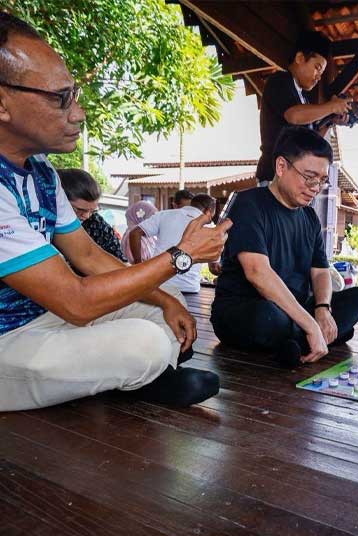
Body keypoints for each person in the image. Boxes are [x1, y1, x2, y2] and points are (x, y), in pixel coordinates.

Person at [0, 12, 231, 410]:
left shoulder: (41, 172)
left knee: (165, 301)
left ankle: (132, 375)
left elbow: (89, 257)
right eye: (61, 99)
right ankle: (141, 374)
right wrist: (181, 256)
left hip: (44, 319)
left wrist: (164, 298)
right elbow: (75, 300)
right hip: (7, 341)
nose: (78, 113)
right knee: (144, 343)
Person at [211, 126, 358, 367]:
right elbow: (257, 272)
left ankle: (297, 341)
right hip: (247, 309)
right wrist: (310, 324)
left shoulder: (309, 217)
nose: (315, 187)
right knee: (266, 317)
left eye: (322, 180)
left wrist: (323, 308)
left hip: (295, 310)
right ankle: (313, 336)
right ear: (281, 167)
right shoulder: (248, 204)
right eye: (308, 177)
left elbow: (320, 271)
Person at [255, 31, 350, 186]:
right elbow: (294, 116)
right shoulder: (280, 81)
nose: (319, 77)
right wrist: (331, 106)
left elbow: (310, 140)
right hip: (274, 177)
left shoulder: (303, 98)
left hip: (294, 180)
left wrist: (329, 121)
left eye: (322, 72)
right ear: (300, 58)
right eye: (317, 68)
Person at [129, 193, 217, 295]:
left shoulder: (164, 214)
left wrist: (138, 265)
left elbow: (135, 233)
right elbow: (214, 268)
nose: (211, 218)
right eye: (212, 215)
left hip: (158, 285)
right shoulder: (211, 227)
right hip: (189, 288)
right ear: (208, 211)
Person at [57, 168, 125, 261]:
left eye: (92, 211)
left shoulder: (96, 224)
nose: (86, 216)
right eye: (78, 210)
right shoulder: (42, 227)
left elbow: (118, 259)